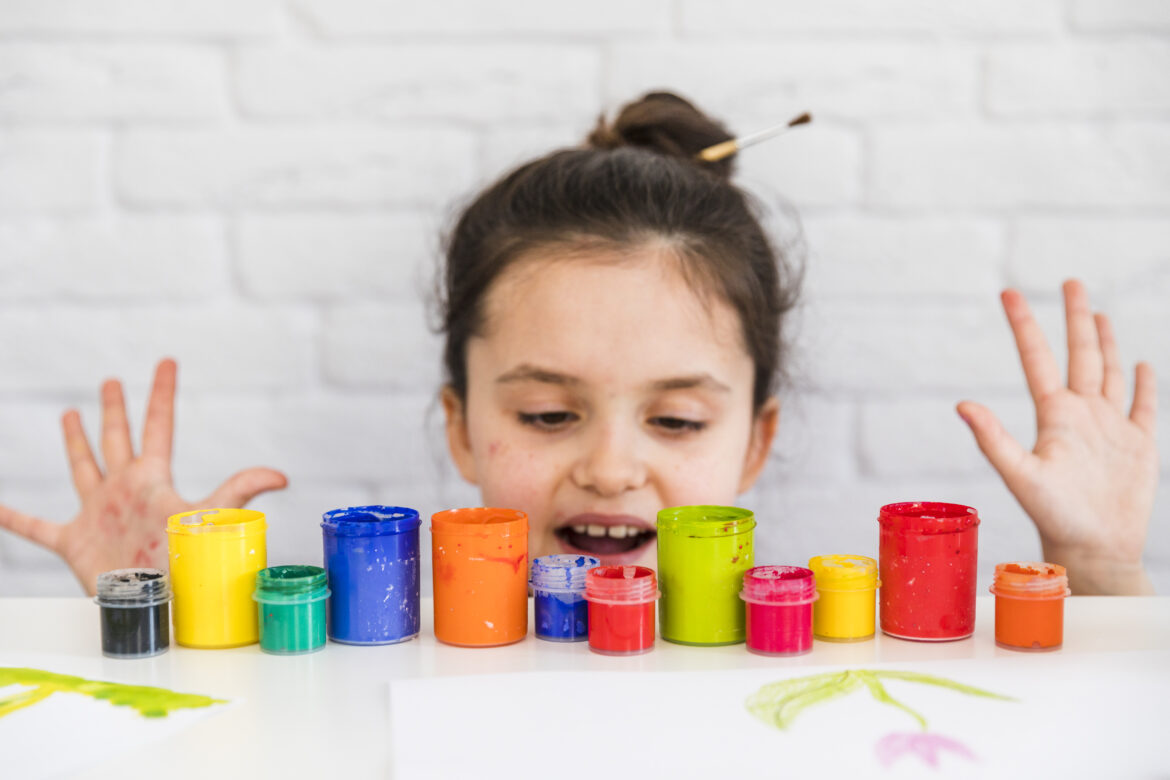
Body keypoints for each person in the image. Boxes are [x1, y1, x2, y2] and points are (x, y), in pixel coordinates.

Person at [0, 92, 1158, 596]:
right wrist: (150, 604)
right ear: (458, 424)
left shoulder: (825, 647)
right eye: (548, 415)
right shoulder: (365, 635)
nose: (611, 467)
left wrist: (1102, 573)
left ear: (756, 443)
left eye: (677, 419)